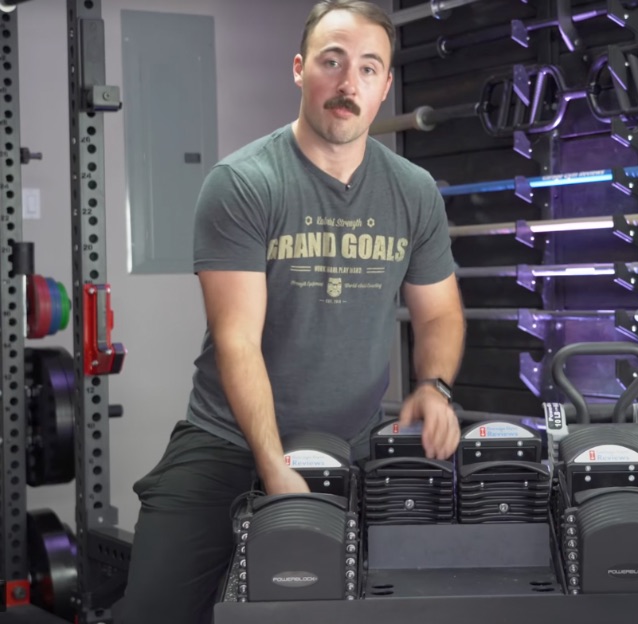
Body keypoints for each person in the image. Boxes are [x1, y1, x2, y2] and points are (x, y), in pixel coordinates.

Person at [120, 1, 465, 622]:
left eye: (367, 68)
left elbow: (438, 313)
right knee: (154, 610)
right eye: (332, 62)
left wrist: (434, 385)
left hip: (350, 447)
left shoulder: (412, 192)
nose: (347, 83)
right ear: (301, 70)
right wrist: (273, 465)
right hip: (227, 442)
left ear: (385, 86)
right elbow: (237, 341)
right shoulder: (245, 182)